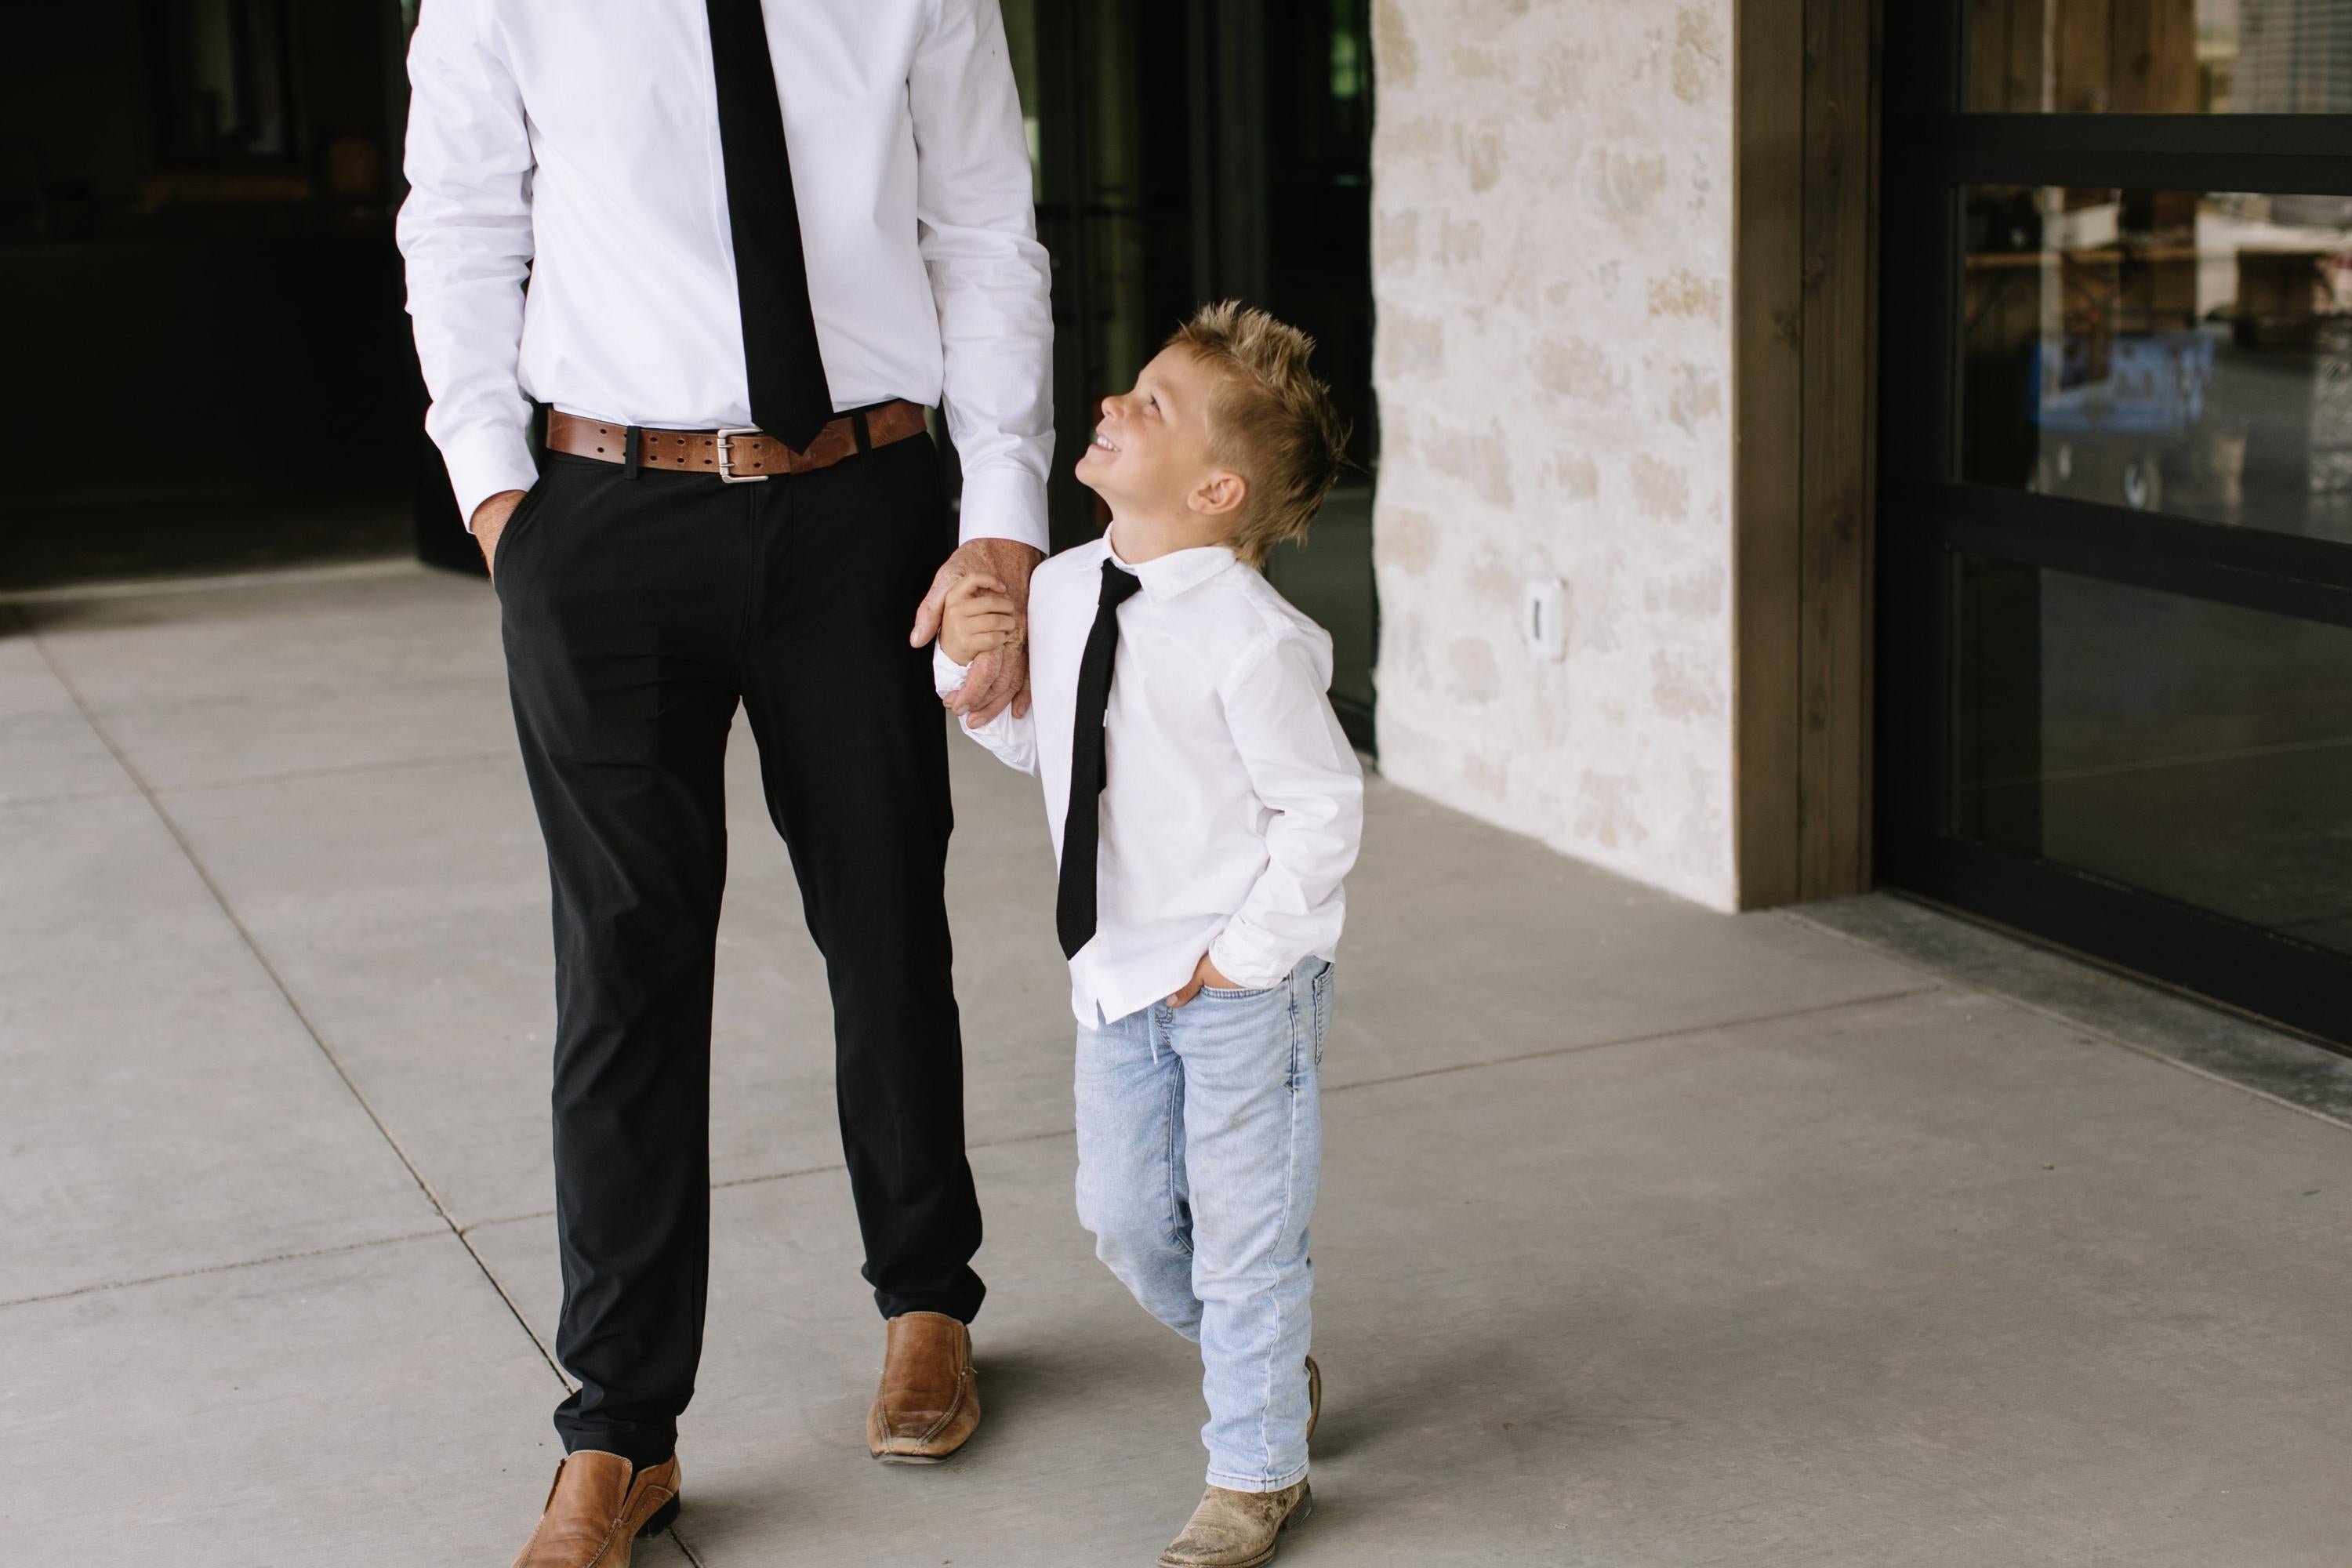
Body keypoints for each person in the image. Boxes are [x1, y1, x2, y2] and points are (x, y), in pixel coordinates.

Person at [396, 2, 1051, 1560]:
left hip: (864, 505)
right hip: (603, 513)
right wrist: (501, 497)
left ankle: (926, 1297)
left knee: (888, 915)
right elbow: (461, 226)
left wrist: (1003, 503)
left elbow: (982, 230)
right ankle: (618, 1429)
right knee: (621, 963)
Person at [935, 301, 1363, 1568]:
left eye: (1153, 405)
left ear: (1217, 489)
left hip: (1235, 986)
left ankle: (1254, 1468)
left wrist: (1245, 957)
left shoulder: (1253, 640)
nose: (1114, 405)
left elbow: (1322, 809)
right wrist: (975, 677)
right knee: (1124, 1221)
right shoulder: (1067, 589)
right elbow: (1046, 751)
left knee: (1245, 1238)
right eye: (1130, 389)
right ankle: (1267, 1363)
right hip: (1114, 976)